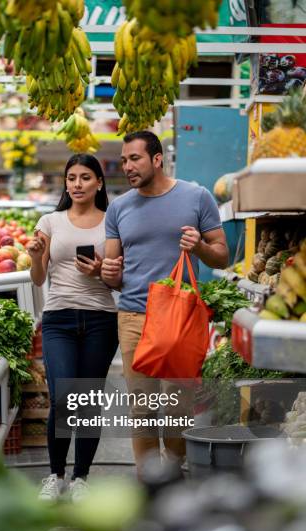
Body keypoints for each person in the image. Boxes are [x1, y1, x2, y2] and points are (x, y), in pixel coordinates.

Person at [101, 130, 229, 474]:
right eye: (124, 159)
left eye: (135, 158)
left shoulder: (196, 197)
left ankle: (172, 469)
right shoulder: (119, 207)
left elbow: (222, 257)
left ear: (157, 159)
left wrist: (199, 247)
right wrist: (107, 271)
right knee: (141, 406)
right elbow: (112, 273)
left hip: (179, 318)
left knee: (177, 405)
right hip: (133, 316)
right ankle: (149, 479)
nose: (127, 166)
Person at [28, 154, 118, 502]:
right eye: (71, 178)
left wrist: (100, 272)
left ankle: (81, 477)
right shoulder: (49, 221)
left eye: (84, 177)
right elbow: (38, 279)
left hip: (100, 318)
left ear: (99, 182)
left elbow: (119, 281)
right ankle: (55, 475)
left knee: (88, 399)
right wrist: (37, 256)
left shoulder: (113, 222)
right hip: (58, 319)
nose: (76, 184)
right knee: (63, 397)